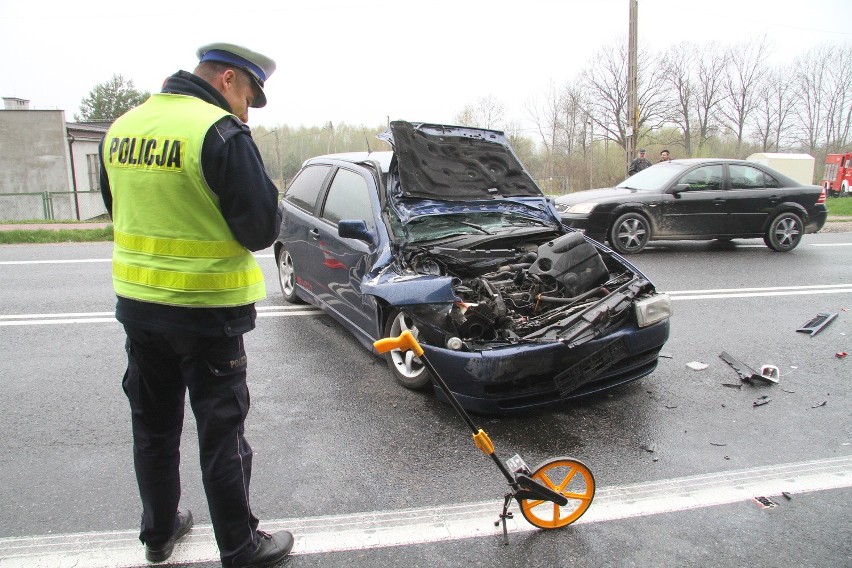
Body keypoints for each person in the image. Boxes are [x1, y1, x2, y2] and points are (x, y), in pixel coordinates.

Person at [99, 43, 292, 567]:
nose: (246, 110)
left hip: (140, 308)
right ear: (229, 79)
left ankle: (158, 534)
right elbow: (258, 230)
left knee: (154, 427)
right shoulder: (219, 132)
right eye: (248, 97)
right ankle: (239, 545)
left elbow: (116, 207)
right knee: (221, 433)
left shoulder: (122, 128)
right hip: (208, 311)